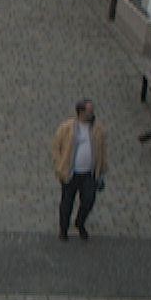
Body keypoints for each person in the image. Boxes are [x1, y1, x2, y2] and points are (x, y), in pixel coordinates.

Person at [52, 99, 108, 241]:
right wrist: (60, 166)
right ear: (81, 112)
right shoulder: (67, 128)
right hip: (71, 173)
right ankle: (63, 229)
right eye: (89, 111)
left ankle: (80, 222)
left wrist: (101, 169)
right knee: (67, 203)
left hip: (89, 173)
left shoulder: (98, 129)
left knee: (89, 200)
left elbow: (102, 150)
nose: (92, 113)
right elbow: (56, 147)